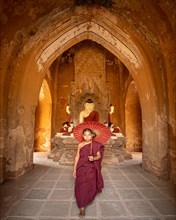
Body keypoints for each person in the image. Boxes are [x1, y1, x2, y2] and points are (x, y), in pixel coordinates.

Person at [73, 128, 104, 217]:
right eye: (85, 135)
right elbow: (77, 156)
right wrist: (74, 169)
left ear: (92, 135)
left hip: (91, 168)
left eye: (89, 135)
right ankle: (82, 207)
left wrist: (93, 158)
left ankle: (87, 200)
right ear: (83, 136)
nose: (87, 137)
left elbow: (99, 156)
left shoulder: (95, 145)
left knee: (90, 186)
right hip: (81, 167)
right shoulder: (80, 145)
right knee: (80, 186)